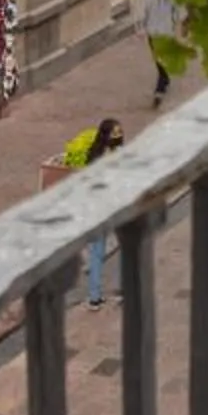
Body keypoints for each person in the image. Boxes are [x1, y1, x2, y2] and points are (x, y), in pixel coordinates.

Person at [78, 117, 126, 308]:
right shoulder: (119, 156)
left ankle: (94, 296)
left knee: (96, 253)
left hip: (97, 208)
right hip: (115, 206)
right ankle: (123, 289)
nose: (120, 135)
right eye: (117, 132)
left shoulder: (94, 155)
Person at [136, 0, 181, 107]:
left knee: (161, 56)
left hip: (166, 29)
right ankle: (164, 77)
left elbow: (176, 8)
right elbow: (144, 10)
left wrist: (176, 22)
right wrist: (142, 27)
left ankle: (160, 86)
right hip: (152, 28)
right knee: (156, 56)